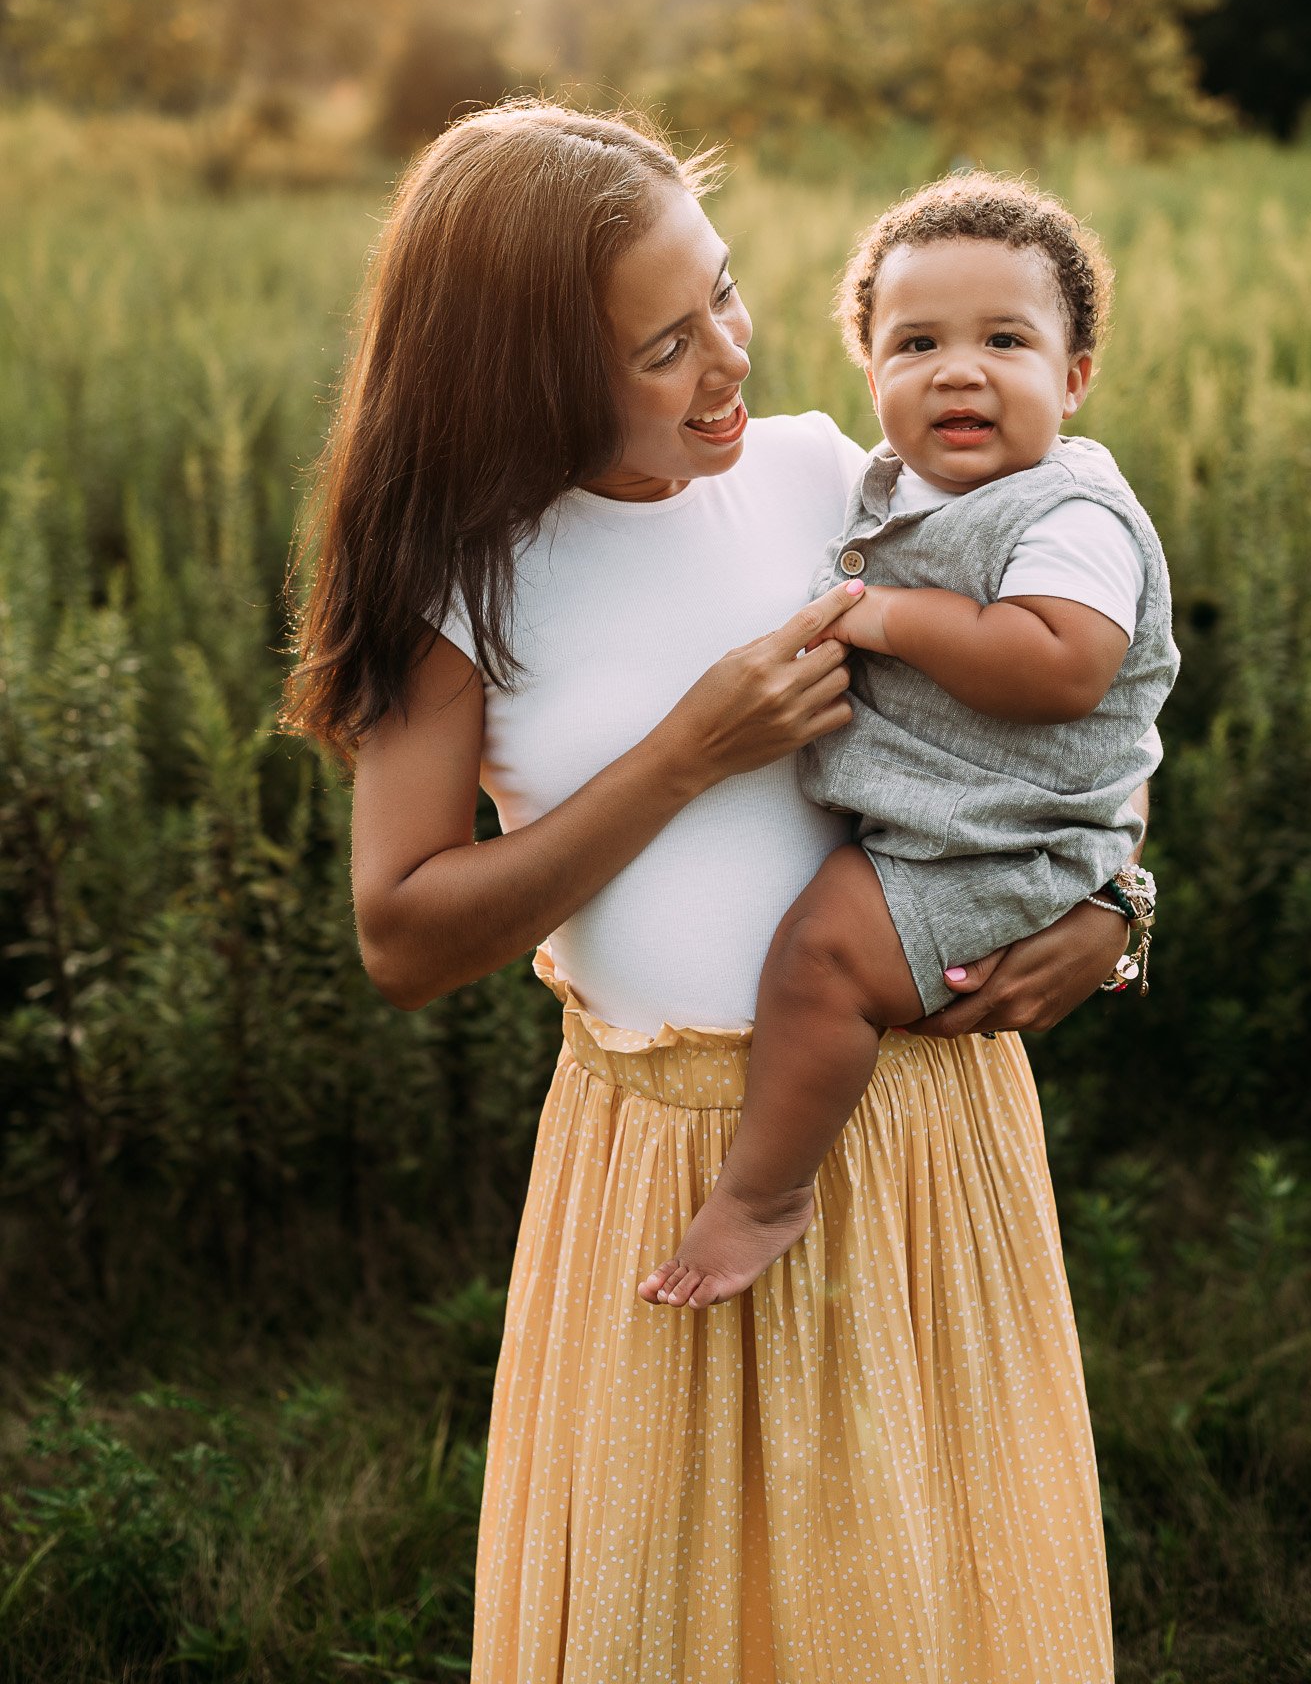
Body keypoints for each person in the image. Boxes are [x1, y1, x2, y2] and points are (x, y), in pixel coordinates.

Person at [286, 102, 1136, 1683]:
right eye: (662, 346)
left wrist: (1115, 907)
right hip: (666, 1161)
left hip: (919, 1136)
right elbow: (402, 936)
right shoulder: (459, 582)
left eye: (724, 295)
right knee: (671, 1622)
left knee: (926, 1617)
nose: (730, 359)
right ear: (529, 378)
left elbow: (1074, 702)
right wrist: (685, 753)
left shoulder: (842, 483)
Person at [641, 174, 1176, 1311]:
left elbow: (1064, 667)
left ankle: (764, 1191)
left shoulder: (1067, 515)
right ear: (871, 372)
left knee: (821, 960)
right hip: (965, 826)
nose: (959, 368)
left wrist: (887, 615)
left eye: (1006, 339)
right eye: (916, 341)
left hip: (989, 846)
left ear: (1074, 377)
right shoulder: (889, 493)